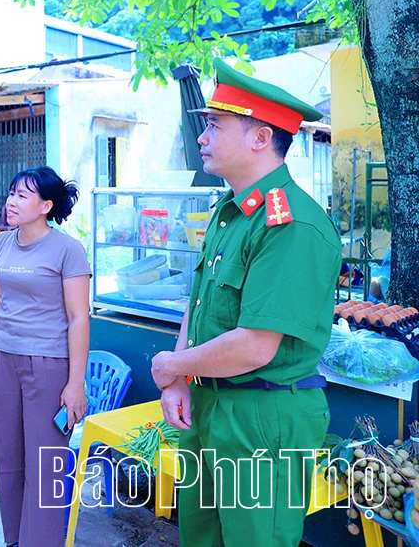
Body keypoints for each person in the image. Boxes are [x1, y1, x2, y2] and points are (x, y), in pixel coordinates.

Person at [151, 59, 341, 547]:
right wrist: (179, 378)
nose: (202, 136)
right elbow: (199, 304)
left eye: (215, 125)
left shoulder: (291, 225)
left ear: (261, 137)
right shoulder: (230, 210)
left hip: (262, 415)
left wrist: (174, 365)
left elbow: (256, 345)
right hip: (210, 404)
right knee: (201, 538)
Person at [0, 166, 91, 547]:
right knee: (8, 459)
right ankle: (15, 539)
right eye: (12, 193)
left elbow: (78, 318)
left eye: (22, 195)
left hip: (48, 367)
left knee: (45, 465)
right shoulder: (0, 246)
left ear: (45, 206)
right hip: (3, 360)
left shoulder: (67, 250)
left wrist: (76, 383)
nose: (11, 201)